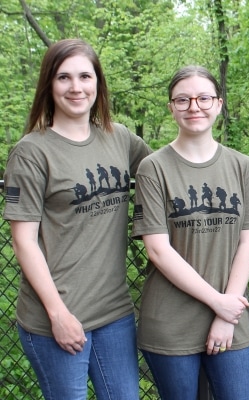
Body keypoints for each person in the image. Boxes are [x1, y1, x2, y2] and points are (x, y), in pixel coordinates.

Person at [3, 39, 152, 399]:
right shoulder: (31, 153)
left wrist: (233, 176)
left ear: (97, 83)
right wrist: (58, 315)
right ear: (49, 85)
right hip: (56, 316)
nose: (76, 87)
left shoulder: (119, 138)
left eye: (85, 76)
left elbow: (173, 170)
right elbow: (23, 241)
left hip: (114, 312)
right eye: (63, 77)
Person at [132, 65, 249, 400]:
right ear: (171, 108)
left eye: (204, 98)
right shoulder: (153, 168)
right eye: (183, 100)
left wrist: (227, 312)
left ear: (219, 104)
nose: (194, 107)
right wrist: (217, 303)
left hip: (231, 319)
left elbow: (247, 242)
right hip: (170, 324)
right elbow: (158, 250)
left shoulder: (243, 167)